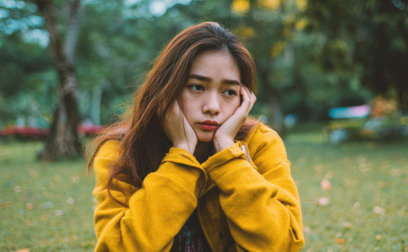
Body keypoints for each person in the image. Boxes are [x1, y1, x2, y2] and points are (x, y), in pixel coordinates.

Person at [88, 21, 304, 251]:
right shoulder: (121, 150)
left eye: (229, 92)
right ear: (167, 88)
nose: (212, 107)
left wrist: (229, 156)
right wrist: (180, 156)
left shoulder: (260, 143)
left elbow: (283, 244)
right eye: (196, 87)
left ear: (244, 100)